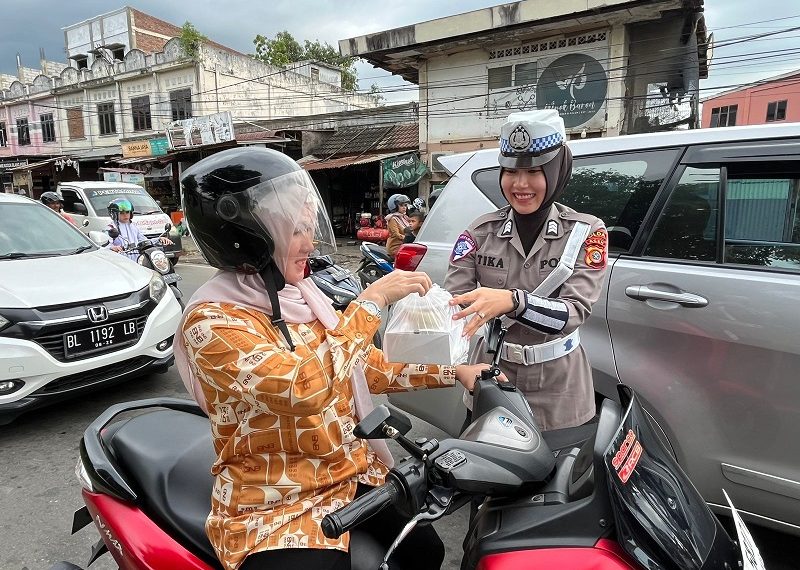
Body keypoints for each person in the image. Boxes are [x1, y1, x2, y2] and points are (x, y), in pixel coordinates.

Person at [173, 147, 493, 570]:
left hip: (347, 475)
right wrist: (372, 301)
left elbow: (365, 367)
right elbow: (303, 388)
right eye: (295, 231)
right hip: (273, 503)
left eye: (308, 228)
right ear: (248, 237)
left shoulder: (301, 296)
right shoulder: (211, 323)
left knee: (425, 550)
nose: (310, 242)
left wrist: (455, 372)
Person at [444, 110, 608, 433]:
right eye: (510, 171)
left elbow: (573, 313)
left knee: (560, 483)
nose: (520, 184)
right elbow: (453, 306)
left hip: (561, 395)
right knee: (487, 480)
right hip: (492, 384)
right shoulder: (478, 234)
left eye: (534, 171)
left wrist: (513, 302)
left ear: (556, 169)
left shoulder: (586, 234)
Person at [106, 197, 172, 261]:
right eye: (122, 213)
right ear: (114, 214)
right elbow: (105, 246)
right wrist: (112, 248)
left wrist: (159, 240)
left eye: (127, 212)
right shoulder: (111, 228)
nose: (125, 215)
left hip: (137, 260)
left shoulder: (133, 227)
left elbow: (144, 241)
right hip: (120, 261)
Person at [384, 193, 411, 260]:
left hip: (404, 245)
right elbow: (396, 234)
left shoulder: (405, 217)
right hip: (395, 247)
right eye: (401, 205)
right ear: (395, 206)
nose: (404, 207)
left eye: (405, 205)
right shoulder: (392, 219)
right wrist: (408, 238)